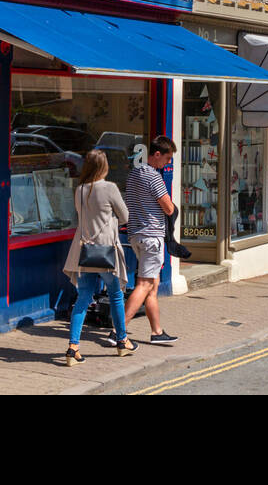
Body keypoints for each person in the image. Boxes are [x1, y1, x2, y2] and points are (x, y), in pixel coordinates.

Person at [62, 150, 137, 365]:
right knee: (115, 296)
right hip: (106, 253)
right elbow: (125, 216)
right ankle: (122, 341)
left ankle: (73, 348)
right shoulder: (110, 188)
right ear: (104, 167)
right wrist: (110, 218)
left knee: (83, 299)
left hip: (85, 253)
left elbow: (81, 216)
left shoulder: (80, 190)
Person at [121, 135, 180, 345]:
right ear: (156, 154)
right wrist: (171, 207)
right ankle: (118, 331)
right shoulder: (153, 177)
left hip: (136, 234)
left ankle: (157, 332)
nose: (167, 163)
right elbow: (168, 207)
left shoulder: (134, 174)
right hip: (151, 236)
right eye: (167, 158)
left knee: (152, 284)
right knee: (145, 284)